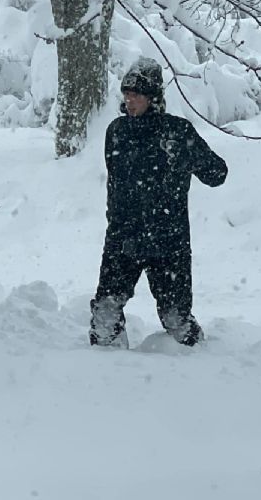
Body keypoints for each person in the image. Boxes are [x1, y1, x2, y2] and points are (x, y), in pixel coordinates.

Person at [90, 57, 228, 349]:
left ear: (153, 98)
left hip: (169, 240)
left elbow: (217, 174)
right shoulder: (117, 131)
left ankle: (199, 363)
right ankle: (102, 371)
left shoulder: (177, 132)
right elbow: (115, 184)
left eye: (136, 95)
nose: (129, 101)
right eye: (126, 94)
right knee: (104, 316)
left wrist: (185, 157)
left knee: (176, 319)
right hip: (123, 237)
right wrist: (116, 222)